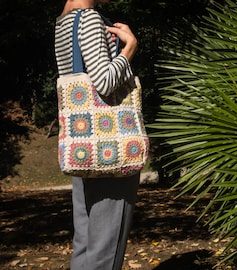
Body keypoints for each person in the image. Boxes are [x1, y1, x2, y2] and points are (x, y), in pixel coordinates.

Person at [54, 0, 139, 269]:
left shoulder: (64, 20)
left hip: (83, 144)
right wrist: (129, 49)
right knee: (105, 250)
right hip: (109, 147)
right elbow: (104, 82)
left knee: (86, 244)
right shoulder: (89, 18)